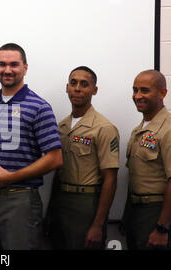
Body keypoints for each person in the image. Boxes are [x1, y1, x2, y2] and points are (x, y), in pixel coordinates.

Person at [0, 43, 63, 250]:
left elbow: (55, 158)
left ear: (25, 68)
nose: (7, 70)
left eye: (14, 64)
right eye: (2, 64)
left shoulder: (39, 107)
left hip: (21, 199)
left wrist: (11, 177)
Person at [46, 66, 119, 249]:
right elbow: (58, 172)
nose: (77, 88)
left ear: (94, 90)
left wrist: (98, 224)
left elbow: (110, 178)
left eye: (84, 84)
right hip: (61, 201)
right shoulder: (62, 127)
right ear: (67, 87)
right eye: (73, 83)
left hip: (86, 204)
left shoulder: (104, 128)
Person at [123, 69, 171, 250]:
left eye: (144, 90)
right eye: (134, 90)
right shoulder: (140, 129)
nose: (137, 96)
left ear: (162, 93)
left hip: (159, 213)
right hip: (138, 213)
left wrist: (162, 228)